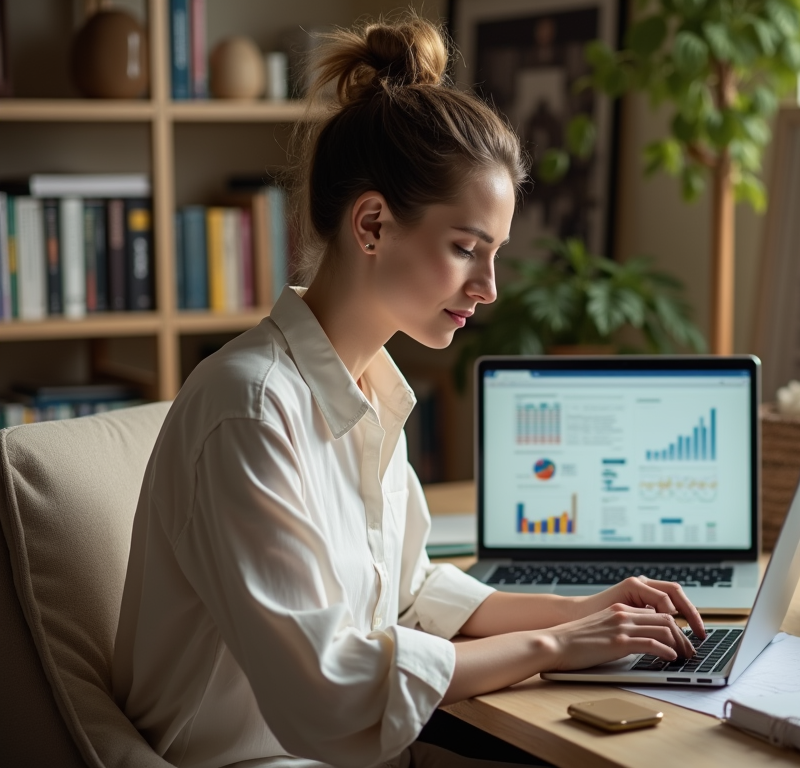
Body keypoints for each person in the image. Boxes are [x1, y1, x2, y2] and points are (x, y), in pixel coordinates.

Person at [112, 13, 706, 768]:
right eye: (466, 249)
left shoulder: (365, 390)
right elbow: (333, 689)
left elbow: (411, 593)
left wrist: (592, 608)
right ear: (371, 225)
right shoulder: (251, 409)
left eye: (494, 255)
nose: (487, 288)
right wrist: (557, 644)